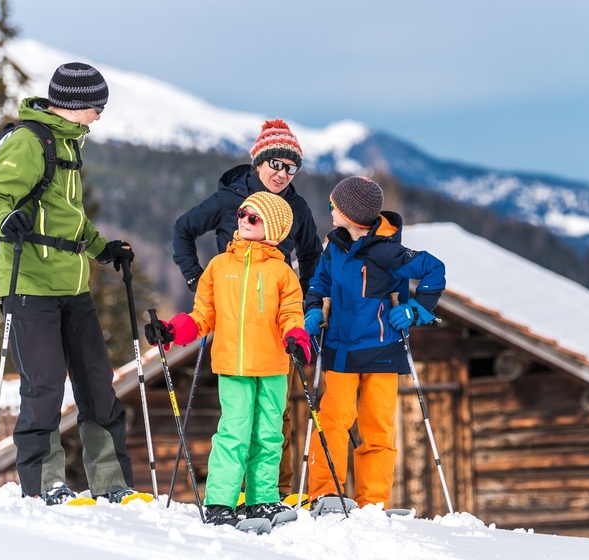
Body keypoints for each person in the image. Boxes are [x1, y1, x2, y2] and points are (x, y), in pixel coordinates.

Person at [0, 62, 139, 505]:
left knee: (97, 384)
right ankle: (45, 483)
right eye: (96, 106)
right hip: (29, 284)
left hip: (72, 286)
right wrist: (6, 219)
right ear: (74, 103)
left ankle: (112, 483)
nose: (99, 115)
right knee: (44, 386)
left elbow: (70, 218)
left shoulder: (68, 143)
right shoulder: (28, 141)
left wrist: (103, 249)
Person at [171, 118, 322, 498]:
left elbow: (311, 255)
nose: (282, 174)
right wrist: (196, 279)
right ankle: (229, 494)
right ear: (259, 162)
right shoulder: (230, 200)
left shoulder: (296, 207)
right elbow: (183, 229)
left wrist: (302, 304)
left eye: (291, 168)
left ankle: (270, 494)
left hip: (274, 326)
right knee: (237, 419)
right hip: (233, 314)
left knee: (275, 417)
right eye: (276, 164)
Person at [146, 192, 313, 526]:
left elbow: (291, 315)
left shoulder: (282, 273)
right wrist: (171, 331)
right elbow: (202, 316)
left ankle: (262, 499)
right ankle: (221, 502)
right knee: (234, 433)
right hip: (233, 367)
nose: (243, 220)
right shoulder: (219, 267)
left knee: (268, 435)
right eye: (241, 213)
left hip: (272, 367)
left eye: (253, 217)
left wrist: (297, 337)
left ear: (273, 228)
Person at [303, 176, 445, 510]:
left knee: (378, 429)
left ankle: (372, 502)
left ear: (350, 214)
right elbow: (318, 284)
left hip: (382, 351)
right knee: (332, 422)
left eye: (333, 205)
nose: (330, 209)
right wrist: (313, 310)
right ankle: (325, 494)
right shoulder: (334, 247)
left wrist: (416, 310)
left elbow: (434, 269)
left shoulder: (388, 251)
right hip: (340, 350)